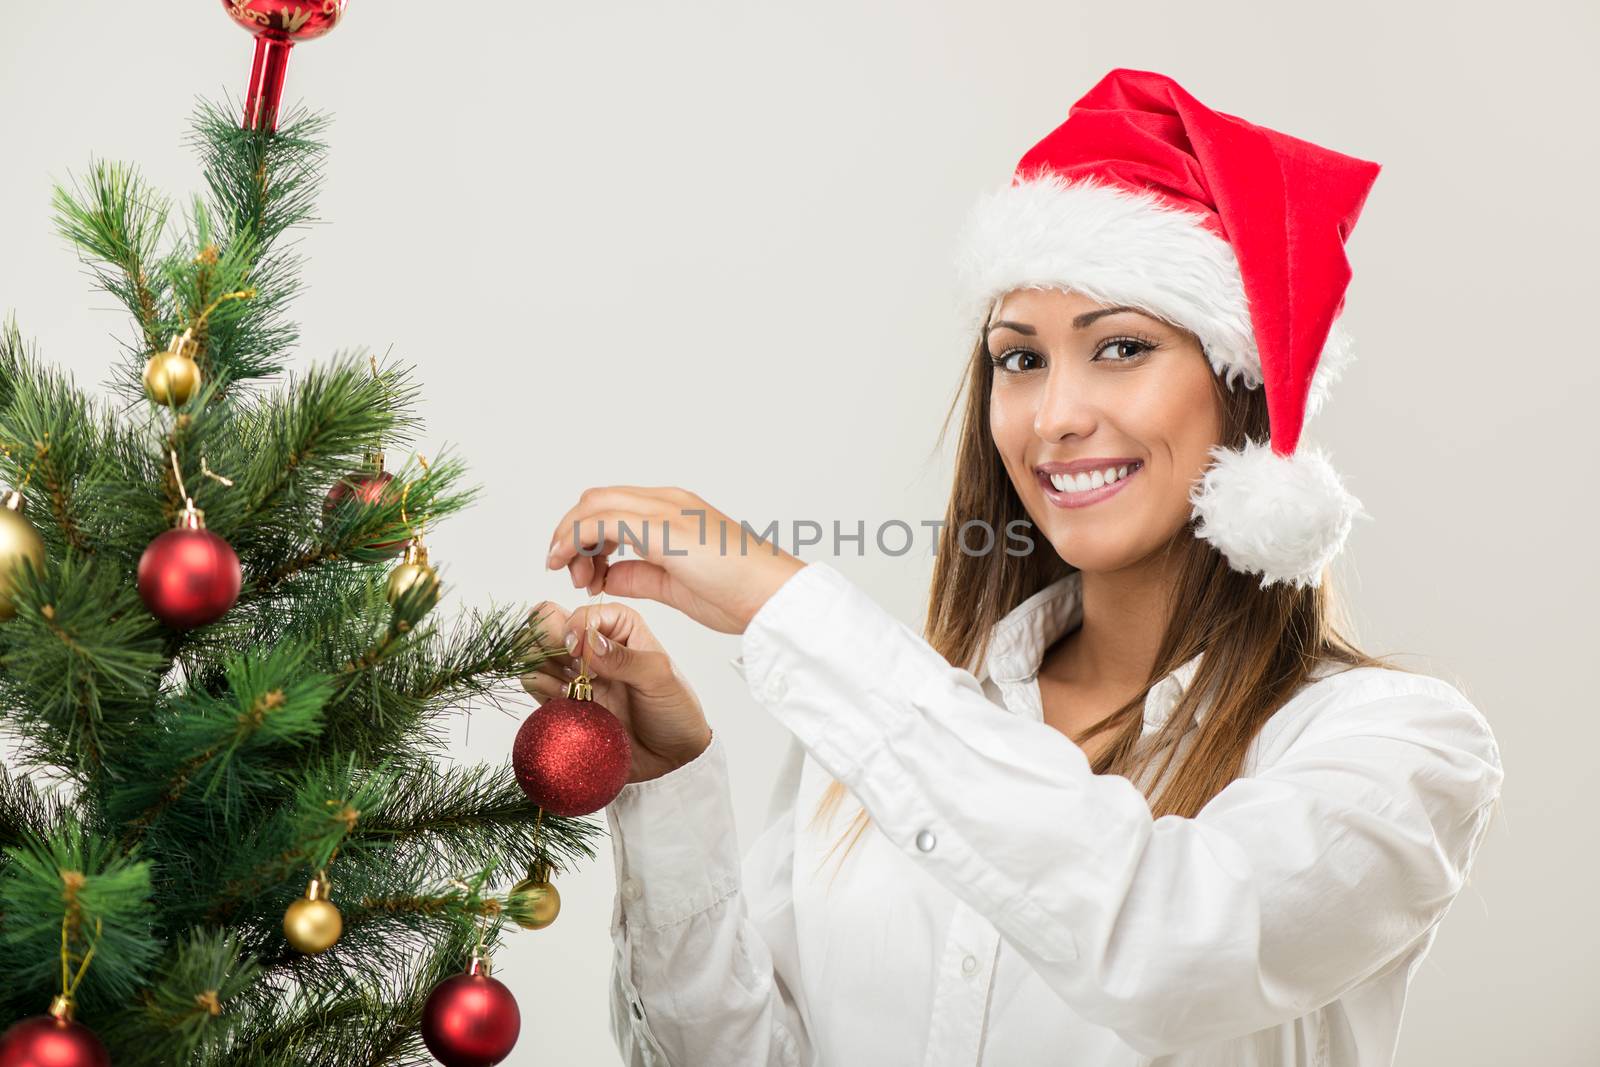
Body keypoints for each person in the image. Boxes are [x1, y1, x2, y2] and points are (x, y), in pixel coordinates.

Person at [523, 67, 1505, 1066]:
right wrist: (672, 785)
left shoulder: (1397, 747)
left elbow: (1170, 947)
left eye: (1120, 346)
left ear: (1239, 390)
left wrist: (787, 604)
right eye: (1019, 357)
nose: (1053, 415)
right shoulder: (873, 734)